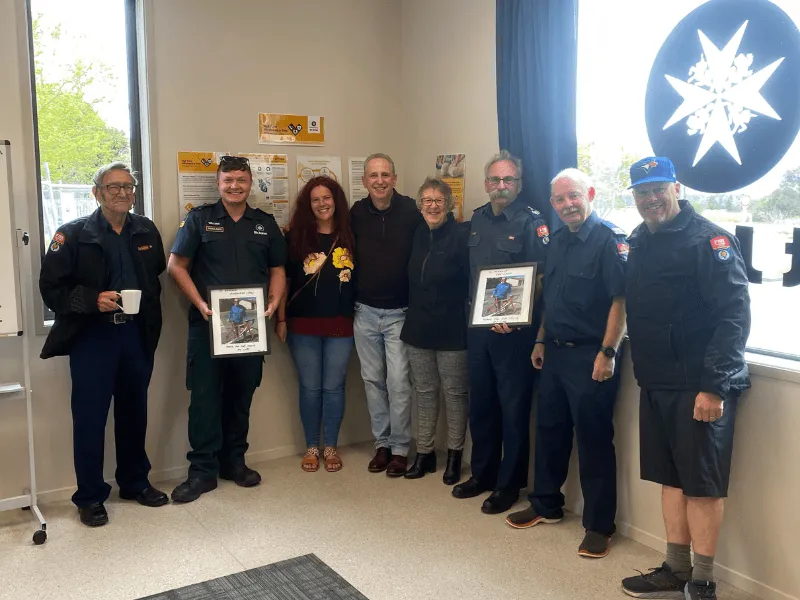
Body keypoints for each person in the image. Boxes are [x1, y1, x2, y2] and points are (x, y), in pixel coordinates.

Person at [620, 157, 750, 600]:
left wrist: (714, 386)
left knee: (702, 484)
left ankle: (704, 579)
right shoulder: (640, 239)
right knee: (670, 478)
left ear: (676, 187)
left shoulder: (709, 240)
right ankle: (675, 568)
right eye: (642, 192)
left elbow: (734, 317)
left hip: (700, 385)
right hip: (656, 382)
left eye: (658, 188)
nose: (650, 198)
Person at [505, 168, 627, 559]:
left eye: (573, 196)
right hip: (554, 351)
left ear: (589, 193)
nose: (567, 205)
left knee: (593, 441)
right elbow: (550, 299)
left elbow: (620, 302)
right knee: (550, 430)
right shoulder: (555, 241)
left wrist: (607, 353)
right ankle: (546, 504)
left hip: (592, 354)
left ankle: (598, 525)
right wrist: (540, 339)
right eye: (559, 200)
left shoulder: (610, 240)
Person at [39, 162, 168, 527]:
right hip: (92, 338)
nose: (123, 193)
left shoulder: (146, 230)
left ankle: (134, 482)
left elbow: (154, 272)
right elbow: (51, 289)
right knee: (90, 418)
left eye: (129, 187)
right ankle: (90, 495)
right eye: (114, 187)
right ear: (96, 193)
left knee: (134, 412)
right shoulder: (72, 234)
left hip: (135, 334)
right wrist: (93, 299)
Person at [168, 155, 287, 503]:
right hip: (207, 326)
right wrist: (200, 303)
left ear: (250, 183)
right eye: (228, 180)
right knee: (204, 399)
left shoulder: (265, 223)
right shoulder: (200, 219)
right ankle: (202, 471)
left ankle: (234, 462)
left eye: (241, 180)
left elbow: (278, 268)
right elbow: (176, 266)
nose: (235, 186)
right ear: (218, 184)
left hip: (250, 328)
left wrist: (274, 303)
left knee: (241, 396)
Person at [453, 150, 549, 514]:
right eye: (495, 180)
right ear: (486, 184)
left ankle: (509, 486)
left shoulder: (531, 223)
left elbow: (539, 279)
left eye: (508, 180)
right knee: (481, 407)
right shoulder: (476, 220)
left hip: (514, 333)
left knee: (513, 410)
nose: (501, 186)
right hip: (479, 331)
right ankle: (483, 475)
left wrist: (515, 314)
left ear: (519, 184)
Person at [350, 153, 423, 477]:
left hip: (400, 313)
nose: (379, 181)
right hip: (364, 312)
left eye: (385, 175)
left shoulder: (411, 211)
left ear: (394, 178)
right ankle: (381, 445)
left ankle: (400, 449)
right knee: (373, 381)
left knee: (398, 382)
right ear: (365, 181)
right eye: (373, 176)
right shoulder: (356, 213)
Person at [276, 176, 355, 473]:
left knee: (333, 387)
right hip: (303, 325)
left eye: (327, 198)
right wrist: (281, 319)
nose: (322, 204)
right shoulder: (294, 236)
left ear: (336, 201)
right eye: (315, 199)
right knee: (310, 388)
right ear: (308, 205)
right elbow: (283, 281)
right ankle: (312, 446)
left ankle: (331, 446)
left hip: (340, 325)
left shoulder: (351, 234)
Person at [401, 177, 470, 484]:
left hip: (452, 329)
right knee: (424, 392)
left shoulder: (461, 235)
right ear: (420, 205)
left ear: (449, 205)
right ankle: (425, 454)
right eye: (426, 200)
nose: (432, 206)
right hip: (418, 327)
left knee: (455, 394)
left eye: (438, 200)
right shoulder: (416, 233)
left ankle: (455, 455)